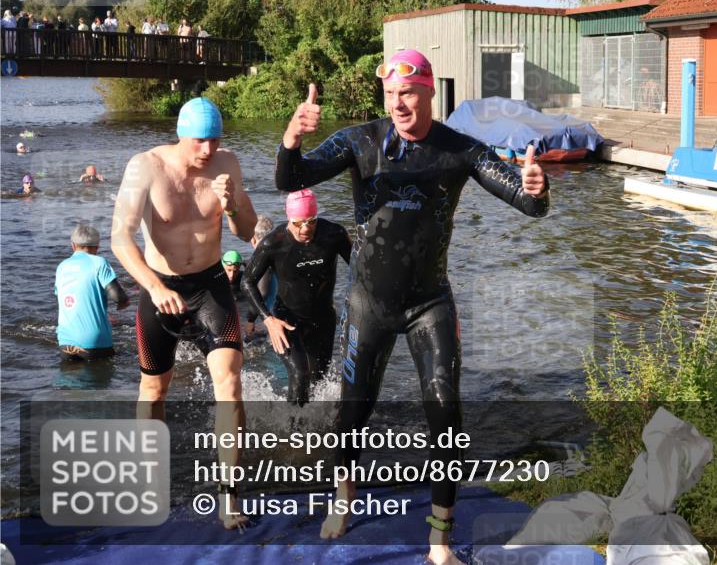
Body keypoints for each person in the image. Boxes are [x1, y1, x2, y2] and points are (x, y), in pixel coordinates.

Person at [276, 49, 549, 563]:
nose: (398, 104)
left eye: (407, 93)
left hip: (429, 303)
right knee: (352, 409)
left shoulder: (459, 150)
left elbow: (527, 202)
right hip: (369, 303)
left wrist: (538, 185)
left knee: (446, 412)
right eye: (390, 95)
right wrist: (292, 139)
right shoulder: (360, 141)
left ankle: (439, 540)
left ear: (427, 92)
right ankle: (344, 496)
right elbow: (290, 180)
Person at [111, 96, 257, 529]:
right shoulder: (147, 167)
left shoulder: (227, 163)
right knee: (154, 390)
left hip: (211, 284)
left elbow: (247, 232)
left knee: (230, 384)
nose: (209, 150)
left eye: (215, 140)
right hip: (161, 286)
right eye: (200, 141)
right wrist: (153, 287)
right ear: (181, 134)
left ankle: (230, 495)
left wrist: (232, 205)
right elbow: (120, 237)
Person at [242, 189, 351, 406]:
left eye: (311, 221)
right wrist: (267, 319)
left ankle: (315, 429)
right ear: (289, 219)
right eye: (298, 222)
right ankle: (292, 432)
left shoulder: (334, 235)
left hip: (323, 319)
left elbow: (360, 270)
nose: (305, 229)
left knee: (319, 380)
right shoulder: (273, 243)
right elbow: (247, 282)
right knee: (300, 374)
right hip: (286, 320)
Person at [55, 224, 130, 360]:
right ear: (97, 246)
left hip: (65, 343)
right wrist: (123, 303)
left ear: (73, 245)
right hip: (95, 343)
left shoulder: (62, 266)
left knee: (69, 380)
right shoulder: (99, 263)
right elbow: (118, 297)